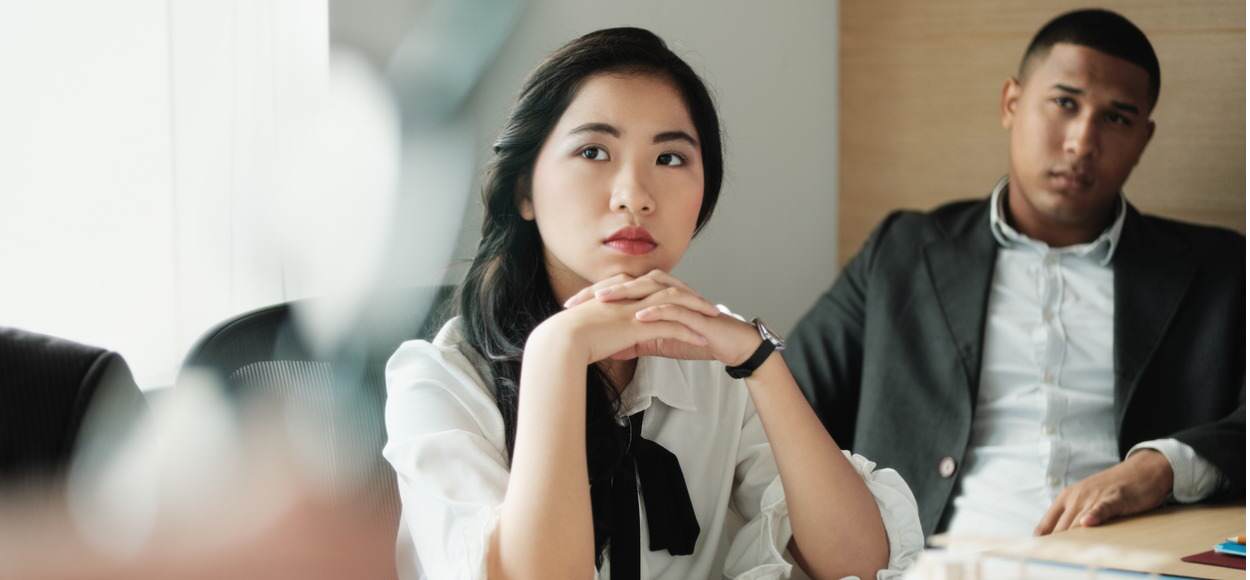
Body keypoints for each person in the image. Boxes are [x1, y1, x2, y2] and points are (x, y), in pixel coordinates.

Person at [383, 27, 923, 580]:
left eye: (669, 158)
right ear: (525, 189)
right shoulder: (438, 383)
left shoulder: (713, 364)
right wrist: (558, 352)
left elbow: (861, 563)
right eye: (594, 151)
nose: (635, 195)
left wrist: (758, 359)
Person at [784, 8, 1244, 540]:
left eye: (1117, 118)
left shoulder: (1218, 271)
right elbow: (788, 403)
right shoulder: (904, 251)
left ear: (1144, 138)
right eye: (1065, 103)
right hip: (936, 562)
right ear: (1012, 102)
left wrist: (1162, 467)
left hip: (1131, 562)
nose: (1082, 142)